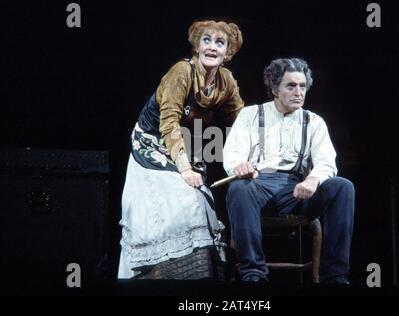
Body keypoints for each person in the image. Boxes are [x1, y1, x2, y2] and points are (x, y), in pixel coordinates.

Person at [118, 20, 244, 278]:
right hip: (153, 143)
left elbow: (242, 121)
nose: (212, 47)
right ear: (197, 46)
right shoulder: (181, 72)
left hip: (187, 146)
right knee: (171, 208)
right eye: (206, 40)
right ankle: (157, 276)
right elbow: (169, 123)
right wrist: (185, 169)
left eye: (219, 43)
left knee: (197, 205)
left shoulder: (226, 81)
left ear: (227, 52)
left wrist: (252, 156)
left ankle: (194, 277)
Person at [223, 58, 355, 283]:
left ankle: (335, 277)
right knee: (238, 188)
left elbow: (326, 162)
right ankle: (253, 273)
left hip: (296, 190)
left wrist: (312, 179)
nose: (299, 92)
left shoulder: (314, 122)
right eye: (291, 86)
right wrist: (240, 166)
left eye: (302, 86)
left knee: (342, 187)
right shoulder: (250, 115)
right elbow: (232, 154)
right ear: (275, 89)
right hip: (257, 185)